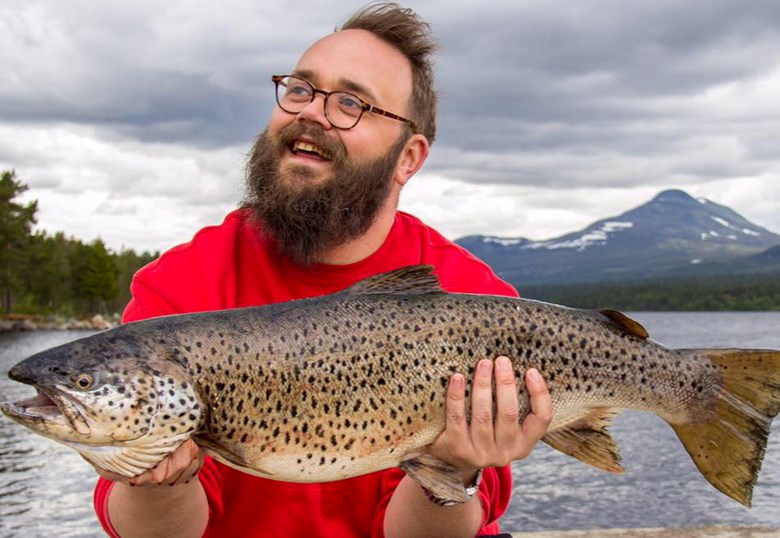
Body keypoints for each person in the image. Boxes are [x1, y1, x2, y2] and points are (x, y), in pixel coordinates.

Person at [91, 3, 552, 537]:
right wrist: (156, 476)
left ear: (409, 157)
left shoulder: (472, 300)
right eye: (300, 90)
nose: (312, 112)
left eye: (352, 103)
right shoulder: (182, 285)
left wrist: (451, 469)